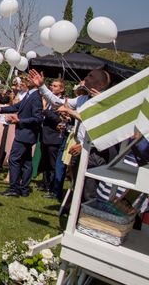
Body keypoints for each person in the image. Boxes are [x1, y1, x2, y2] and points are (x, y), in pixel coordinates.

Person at [28, 68, 112, 202]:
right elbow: (57, 102)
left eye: (90, 75)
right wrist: (42, 86)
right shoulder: (82, 98)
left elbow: (105, 129)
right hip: (79, 149)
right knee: (78, 186)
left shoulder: (108, 101)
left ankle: (85, 218)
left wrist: (86, 146)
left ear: (100, 84)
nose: (86, 77)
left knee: (89, 191)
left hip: (94, 153)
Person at [0, 77, 43, 197]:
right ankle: (24, 189)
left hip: (26, 134)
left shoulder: (36, 97)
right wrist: (0, 109)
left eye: (29, 79)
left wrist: (20, 121)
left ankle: (14, 188)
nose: (25, 81)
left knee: (14, 159)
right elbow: (16, 107)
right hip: (25, 134)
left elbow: (38, 118)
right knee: (26, 162)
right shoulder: (29, 95)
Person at [39, 78, 67, 197]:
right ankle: (45, 183)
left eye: (55, 86)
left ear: (61, 89)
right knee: (45, 161)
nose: (52, 87)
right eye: (51, 85)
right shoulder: (49, 101)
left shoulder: (62, 102)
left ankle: (53, 187)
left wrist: (45, 109)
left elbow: (59, 119)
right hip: (46, 134)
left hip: (55, 136)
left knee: (53, 164)